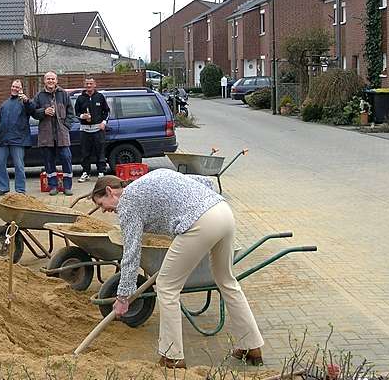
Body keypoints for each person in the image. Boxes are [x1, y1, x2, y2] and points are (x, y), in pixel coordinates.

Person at [91, 169, 264, 368]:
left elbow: (131, 252)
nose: (104, 210)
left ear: (109, 191)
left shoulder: (128, 203)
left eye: (100, 204)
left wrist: (123, 297)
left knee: (166, 286)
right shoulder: (148, 179)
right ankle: (252, 346)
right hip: (223, 211)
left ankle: (172, 356)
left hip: (199, 224)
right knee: (227, 281)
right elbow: (204, 181)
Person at [32, 71, 75, 196]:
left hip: (62, 134)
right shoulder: (39, 96)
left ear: (56, 81)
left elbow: (71, 112)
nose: (50, 81)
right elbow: (33, 113)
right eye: (48, 79)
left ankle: (67, 187)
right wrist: (43, 112)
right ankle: (53, 186)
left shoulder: (63, 94)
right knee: (49, 161)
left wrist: (66, 126)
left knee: (67, 158)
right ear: (44, 81)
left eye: (52, 79)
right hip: (47, 135)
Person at [0, 79, 34, 196]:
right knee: (0, 164)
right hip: (3, 140)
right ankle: (3, 188)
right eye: (13, 86)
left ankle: (20, 190)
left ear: (21, 89)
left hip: (18, 140)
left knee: (19, 166)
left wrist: (27, 101)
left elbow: (32, 110)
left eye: (18, 87)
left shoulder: (24, 103)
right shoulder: (4, 105)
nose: (15, 89)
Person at [74, 76, 110, 182]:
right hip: (84, 130)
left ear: (95, 85)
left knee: (100, 152)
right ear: (84, 85)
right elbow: (76, 113)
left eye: (91, 83)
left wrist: (104, 122)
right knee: (85, 153)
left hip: (98, 130)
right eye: (87, 84)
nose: (89, 85)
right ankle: (86, 173)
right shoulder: (80, 98)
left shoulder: (100, 97)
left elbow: (107, 111)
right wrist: (82, 116)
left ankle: (101, 173)